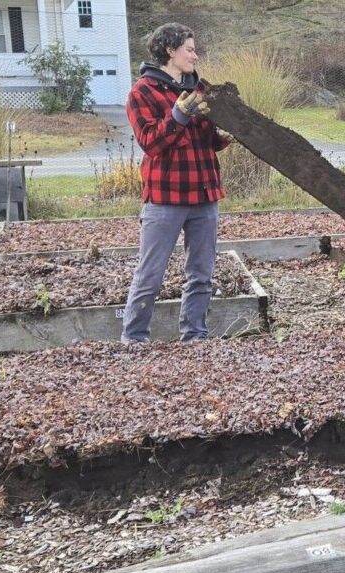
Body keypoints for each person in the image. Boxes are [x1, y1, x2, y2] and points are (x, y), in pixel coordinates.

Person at [120, 22, 233, 345]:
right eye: (189, 49)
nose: (195, 56)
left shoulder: (198, 90)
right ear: (170, 51)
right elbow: (151, 142)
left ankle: (195, 336)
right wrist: (179, 114)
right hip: (165, 199)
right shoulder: (143, 92)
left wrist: (225, 137)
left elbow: (205, 140)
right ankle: (135, 339)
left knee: (201, 274)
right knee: (150, 274)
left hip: (204, 194)